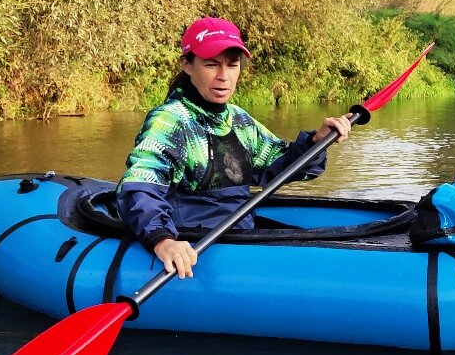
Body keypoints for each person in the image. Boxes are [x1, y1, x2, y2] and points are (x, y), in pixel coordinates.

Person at [117, 17, 351, 279]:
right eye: (211, 64)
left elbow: (282, 166)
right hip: (194, 240)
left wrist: (315, 142)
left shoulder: (238, 120)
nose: (223, 76)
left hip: (240, 236)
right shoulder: (170, 121)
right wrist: (163, 241)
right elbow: (139, 187)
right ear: (187, 65)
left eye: (232, 65)